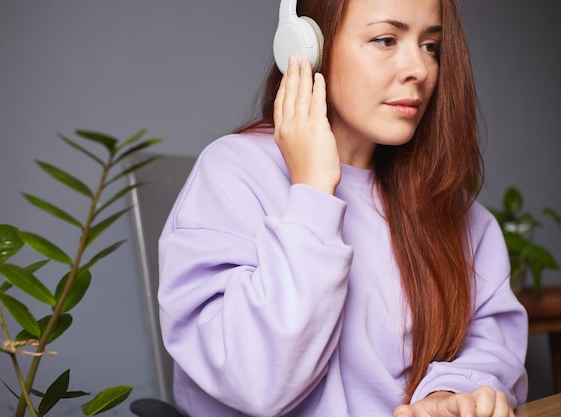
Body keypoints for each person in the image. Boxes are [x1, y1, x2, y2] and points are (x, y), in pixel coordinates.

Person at [157, 0, 528, 415]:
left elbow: (490, 340)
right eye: (386, 39)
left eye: (431, 46)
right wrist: (313, 190)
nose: (420, 70)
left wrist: (450, 394)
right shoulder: (232, 173)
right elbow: (258, 380)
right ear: (305, 48)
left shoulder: (456, 209)